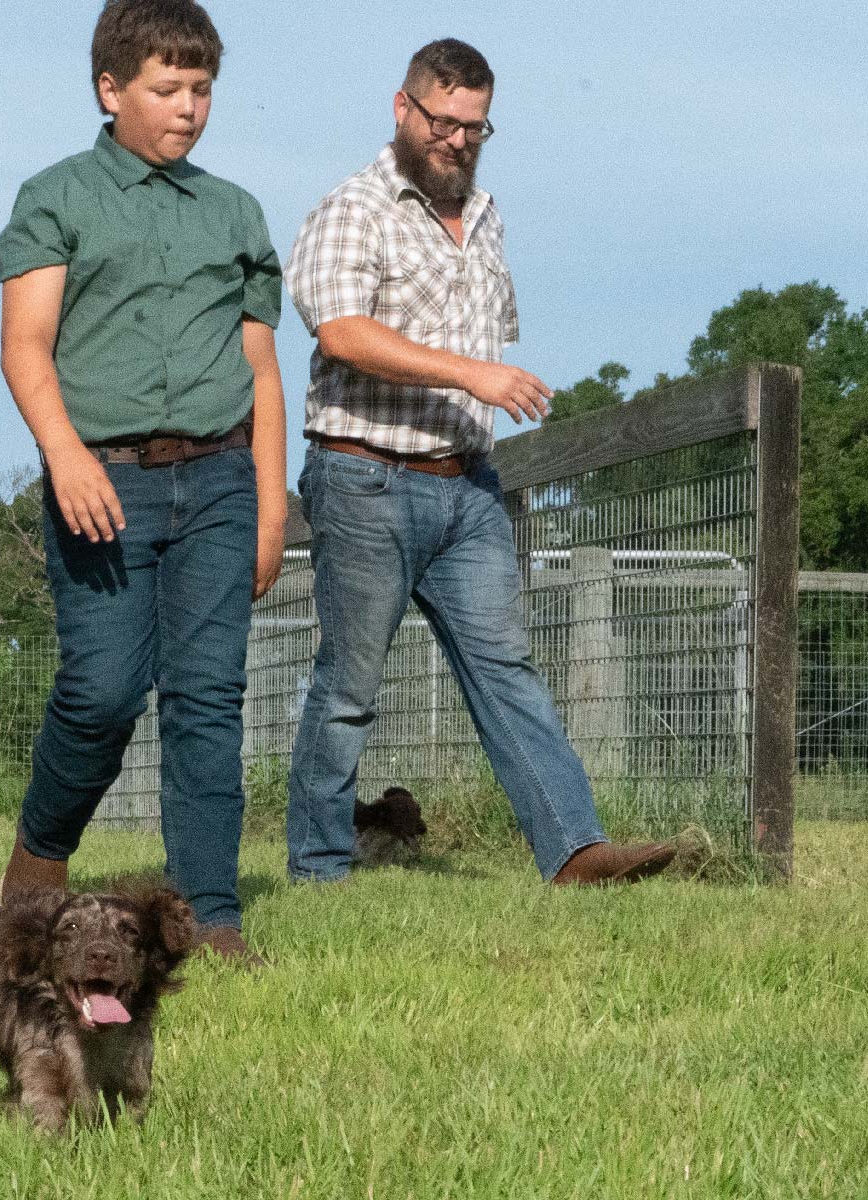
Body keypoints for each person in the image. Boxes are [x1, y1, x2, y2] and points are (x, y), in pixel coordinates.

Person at [283, 38, 675, 887]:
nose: (457, 139)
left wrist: (481, 390)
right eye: (442, 121)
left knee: (508, 672)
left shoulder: (488, 216)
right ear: (403, 108)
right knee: (349, 685)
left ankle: (576, 853)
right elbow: (342, 332)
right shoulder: (353, 208)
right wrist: (472, 374)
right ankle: (319, 868)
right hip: (364, 477)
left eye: (474, 125)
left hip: (469, 490)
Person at [0, 0, 286, 962]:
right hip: (103, 482)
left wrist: (272, 505)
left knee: (207, 696)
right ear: (112, 89)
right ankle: (40, 858)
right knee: (104, 690)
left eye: (203, 90)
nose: (190, 109)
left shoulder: (236, 212)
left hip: (221, 482)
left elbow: (263, 370)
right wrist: (67, 456)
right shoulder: (57, 197)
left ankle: (211, 914)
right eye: (168, 89)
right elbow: (25, 348)